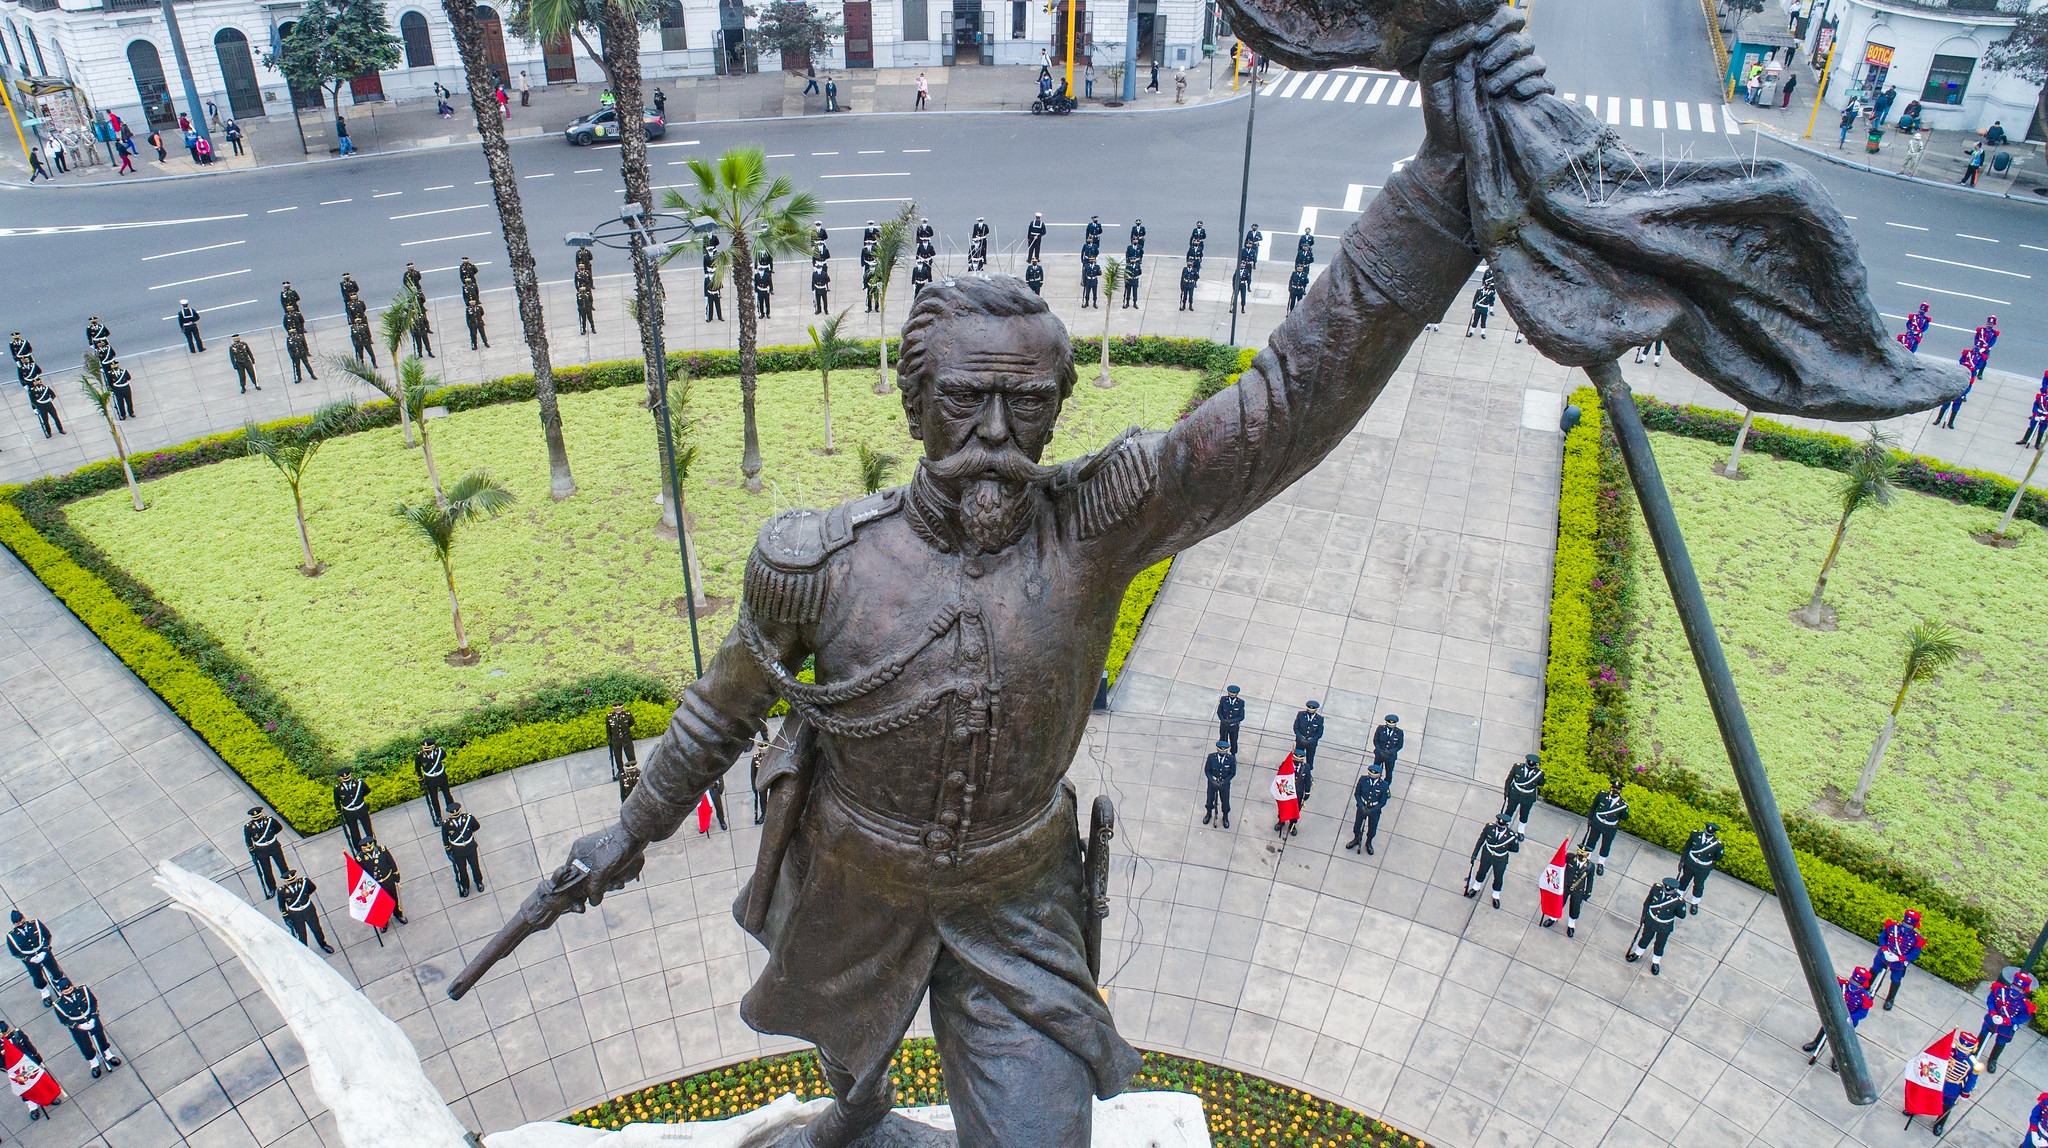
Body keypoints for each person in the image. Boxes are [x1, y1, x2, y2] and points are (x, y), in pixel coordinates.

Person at [1798, 966, 1873, 1071]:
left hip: (1848, 1020)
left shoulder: (1863, 997)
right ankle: (1816, 1042)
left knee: (1841, 1039)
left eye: (1856, 983)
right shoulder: (1842, 985)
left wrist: (1851, 1017)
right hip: (1834, 1014)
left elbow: (1862, 1013)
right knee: (1825, 1027)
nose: (1853, 985)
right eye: (1853, 981)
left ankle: (1837, 1058)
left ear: (1862, 985)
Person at [50, 979, 119, 1078]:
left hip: (91, 1017)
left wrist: (94, 1017)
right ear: (60, 991)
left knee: (100, 1036)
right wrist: (79, 1026)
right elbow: (64, 1020)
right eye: (66, 992)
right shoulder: (58, 1004)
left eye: (70, 989)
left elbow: (93, 1003)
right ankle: (93, 1062)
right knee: (84, 1044)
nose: (69, 992)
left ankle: (108, 1054)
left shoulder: (83, 990)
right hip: (77, 1025)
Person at [0, 1017, 62, 1120]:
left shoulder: (17, 1034)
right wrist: (9, 1070)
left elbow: (29, 1045)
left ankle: (49, 1098)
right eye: (5, 1033)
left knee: (40, 1081)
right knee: (25, 1088)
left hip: (30, 1063)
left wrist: (37, 1058)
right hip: (17, 1070)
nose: (8, 1034)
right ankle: (32, 1106)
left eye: (7, 1031)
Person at [1977, 971, 2035, 1074]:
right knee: (1983, 1035)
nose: (2014, 990)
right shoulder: (2000, 990)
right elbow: (1991, 1000)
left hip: (2006, 1026)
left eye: (2018, 989)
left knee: (2001, 1042)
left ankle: (1993, 1059)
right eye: (2014, 986)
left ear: (2023, 991)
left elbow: (2022, 1018)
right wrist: (1993, 1013)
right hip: (1992, 1020)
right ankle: (1975, 1052)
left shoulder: (2024, 1004)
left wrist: (2005, 1020)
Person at [1625, 876, 1685, 975]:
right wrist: (1644, 916)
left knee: (1660, 944)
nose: (1666, 891)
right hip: (1651, 920)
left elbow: (1681, 915)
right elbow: (1647, 903)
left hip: (1664, 925)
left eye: (1668, 890)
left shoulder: (1678, 901)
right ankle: (1638, 953)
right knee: (1645, 938)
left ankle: (1656, 961)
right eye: (1665, 888)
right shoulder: (1656, 889)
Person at [1870, 909, 1925, 1010]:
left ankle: (1890, 999)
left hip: (1898, 962)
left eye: (1908, 926)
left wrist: (1900, 958)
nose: (1905, 928)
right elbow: (1882, 938)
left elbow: (1914, 954)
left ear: (1914, 926)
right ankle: (1866, 988)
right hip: (1884, 956)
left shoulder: (1916, 938)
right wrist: (1885, 950)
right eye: (1904, 924)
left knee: (1895, 979)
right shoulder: (1892, 927)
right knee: (1874, 970)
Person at [1930, 1030, 1981, 1136]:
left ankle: (1939, 1123)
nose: (1962, 1052)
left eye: (1965, 1050)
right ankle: (1915, 1109)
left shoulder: (1973, 1063)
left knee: (1947, 1107)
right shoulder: (1948, 1049)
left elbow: (1971, 1080)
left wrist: (1965, 1093)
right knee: (1927, 1097)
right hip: (1938, 1081)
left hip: (1954, 1088)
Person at [6, 912, 63, 1007]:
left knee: (55, 970)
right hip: (30, 959)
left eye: (21, 920)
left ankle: (60, 986)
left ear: (24, 918)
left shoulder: (35, 923)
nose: (20, 923)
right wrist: (28, 959)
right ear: (14, 924)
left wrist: (45, 949)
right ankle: (45, 993)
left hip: (43, 952)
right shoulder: (11, 936)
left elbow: (47, 936)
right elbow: (15, 952)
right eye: (17, 923)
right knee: (37, 977)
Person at [1465, 813, 1521, 907]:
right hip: (1487, 854)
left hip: (1500, 858)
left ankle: (1496, 895)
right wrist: (1474, 854)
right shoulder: (1489, 828)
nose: (1499, 828)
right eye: (1498, 826)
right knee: (1482, 871)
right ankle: (1476, 887)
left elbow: (1515, 849)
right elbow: (1481, 840)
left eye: (1501, 827)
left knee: (1498, 877)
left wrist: (1503, 849)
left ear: (1506, 826)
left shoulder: (1511, 835)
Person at [276, 868, 334, 953]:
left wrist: (305, 897)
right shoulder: (282, 891)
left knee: (316, 929)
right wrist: (286, 917)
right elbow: (281, 906)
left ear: (296, 878)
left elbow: (312, 888)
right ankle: (305, 951)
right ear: (285, 882)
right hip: (295, 914)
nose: (292, 882)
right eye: (290, 881)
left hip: (308, 910)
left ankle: (323, 944)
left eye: (293, 880)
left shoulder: (304, 882)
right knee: (301, 934)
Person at [1542, 844, 1596, 935]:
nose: (1580, 856)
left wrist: (1588, 892)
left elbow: (1590, 880)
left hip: (1578, 889)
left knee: (1574, 907)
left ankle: (1571, 925)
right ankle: (1553, 918)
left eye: (1583, 855)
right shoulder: (1570, 857)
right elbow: (1559, 864)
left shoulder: (1590, 866)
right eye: (1579, 854)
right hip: (1565, 885)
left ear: (1587, 855)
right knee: (1559, 902)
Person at [1676, 822, 1724, 915]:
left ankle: (1695, 902)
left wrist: (1708, 867)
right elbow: (1687, 848)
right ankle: (1679, 896)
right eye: (1706, 832)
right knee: (1684, 879)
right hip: (1690, 863)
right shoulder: (1695, 835)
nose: (1707, 834)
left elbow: (1718, 858)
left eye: (1709, 834)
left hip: (1703, 867)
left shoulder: (1718, 845)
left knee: (1699, 885)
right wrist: (1682, 861)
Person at [1582, 779, 1628, 873]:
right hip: (1597, 823)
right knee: (1591, 841)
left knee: (1606, 845)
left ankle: (1601, 863)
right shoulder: (1602, 795)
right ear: (1610, 788)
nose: (1615, 790)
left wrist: (1625, 811)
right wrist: (1590, 819)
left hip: (1610, 827)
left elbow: (1624, 817)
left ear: (1620, 791)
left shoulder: (1622, 804)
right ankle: (1587, 859)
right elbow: (1593, 807)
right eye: (1613, 788)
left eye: (1617, 789)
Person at [358, 839, 407, 925]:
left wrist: (396, 878)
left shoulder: (382, 850)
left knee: (394, 899)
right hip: (375, 884)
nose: (368, 849)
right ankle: (384, 921)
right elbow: (360, 873)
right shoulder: (360, 858)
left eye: (370, 847)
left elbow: (392, 863)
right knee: (380, 903)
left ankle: (398, 914)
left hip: (388, 879)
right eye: (366, 848)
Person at [244, 807, 288, 900]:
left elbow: (279, 827)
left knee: (282, 865)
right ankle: (272, 888)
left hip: (273, 846)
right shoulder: (248, 827)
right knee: (267, 871)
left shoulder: (269, 820)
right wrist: (252, 851)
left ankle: (288, 880)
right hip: (261, 850)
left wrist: (270, 836)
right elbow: (248, 840)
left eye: (258, 816)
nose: (258, 818)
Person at [442, 800, 485, 897]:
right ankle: (465, 886)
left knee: (475, 866)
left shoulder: (468, 818)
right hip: (457, 851)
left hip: (470, 847)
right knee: (462, 869)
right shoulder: (446, 825)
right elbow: (445, 839)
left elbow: (476, 826)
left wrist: (468, 835)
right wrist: (449, 852)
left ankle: (479, 882)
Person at [1345, 762, 1389, 853]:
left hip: (1374, 810)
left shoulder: (1384, 785)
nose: (1371, 776)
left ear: (1379, 775)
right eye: (1370, 774)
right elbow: (1357, 794)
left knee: (1372, 827)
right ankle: (1356, 839)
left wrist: (1372, 810)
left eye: (1374, 774)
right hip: (1362, 807)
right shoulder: (1363, 780)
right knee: (1357, 825)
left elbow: (1383, 802)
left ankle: (1368, 843)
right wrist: (1361, 806)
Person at [1500, 752, 1543, 836]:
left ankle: (1521, 830)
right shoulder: (1517, 767)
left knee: (1524, 813)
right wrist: (1506, 791)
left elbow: (1541, 783)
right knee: (1509, 810)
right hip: (1515, 793)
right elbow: (1509, 779)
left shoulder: (1539, 773)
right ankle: (1504, 825)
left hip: (1528, 796)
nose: (1529, 767)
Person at [332, 767, 374, 852]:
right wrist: (339, 813)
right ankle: (359, 850)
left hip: (361, 809)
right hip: (349, 813)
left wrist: (359, 799)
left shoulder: (359, 784)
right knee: (354, 833)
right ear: (340, 778)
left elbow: (367, 791)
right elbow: (337, 802)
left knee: (368, 829)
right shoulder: (337, 789)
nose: (346, 778)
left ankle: (373, 845)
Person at [415, 738, 452, 826]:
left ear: (433, 747)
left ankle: (452, 811)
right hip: (430, 780)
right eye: (425, 749)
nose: (427, 751)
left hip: (441, 777)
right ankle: (438, 817)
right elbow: (418, 769)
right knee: (434, 799)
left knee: (447, 795)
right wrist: (421, 781)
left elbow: (444, 756)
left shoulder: (440, 752)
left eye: (429, 749)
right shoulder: (419, 757)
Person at [606, 703, 638, 799]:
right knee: (618, 756)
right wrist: (610, 740)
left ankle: (632, 768)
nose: (618, 710)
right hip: (616, 740)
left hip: (626, 739)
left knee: (630, 754)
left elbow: (631, 723)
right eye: (616, 709)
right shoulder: (609, 717)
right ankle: (620, 770)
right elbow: (608, 730)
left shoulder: (627, 715)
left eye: (619, 709)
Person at [1201, 740, 1235, 827]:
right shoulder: (1211, 757)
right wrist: (1212, 780)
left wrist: (1224, 781)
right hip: (1213, 783)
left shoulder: (1231, 759)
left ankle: (1225, 817)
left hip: (1224, 784)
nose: (1222, 751)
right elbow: (1207, 770)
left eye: (1224, 750)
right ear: (1217, 749)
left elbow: (1232, 773)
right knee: (1209, 800)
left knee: (1225, 801)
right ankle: (1209, 814)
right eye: (1220, 749)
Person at [1292, 700, 1323, 784]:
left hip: (1311, 743)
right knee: (1298, 756)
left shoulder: (1319, 719)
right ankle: (1294, 771)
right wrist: (1300, 738)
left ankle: (1308, 774)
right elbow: (1296, 728)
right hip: (1300, 741)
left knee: (1310, 758)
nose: (1310, 709)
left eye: (1313, 708)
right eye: (1309, 708)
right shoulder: (1301, 715)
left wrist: (1312, 740)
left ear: (1316, 709)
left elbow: (1319, 733)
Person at [1272, 751, 1301, 836]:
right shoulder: (1286, 764)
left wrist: (1307, 793)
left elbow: (1306, 781)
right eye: (1296, 759)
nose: (1297, 762)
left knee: (1295, 809)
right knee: (1283, 807)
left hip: (1297, 794)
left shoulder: (1305, 768)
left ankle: (1292, 825)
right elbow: (1280, 775)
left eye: (1299, 760)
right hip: (1285, 792)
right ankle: (1281, 821)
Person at [1466, 269, 1496, 337]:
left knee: (1483, 321)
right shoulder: (1479, 290)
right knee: (1475, 320)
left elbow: (1491, 301)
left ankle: (1482, 333)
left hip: (1485, 308)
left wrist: (1489, 308)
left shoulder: (1491, 293)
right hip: (1479, 307)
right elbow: (1475, 299)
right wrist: (1473, 308)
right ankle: (1471, 331)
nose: (1487, 287)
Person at [1216, 686, 1244, 755]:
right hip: (1224, 726)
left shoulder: (1240, 702)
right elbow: (1219, 712)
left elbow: (1241, 717)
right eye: (1230, 693)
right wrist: (1223, 720)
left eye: (1233, 694)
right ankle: (1222, 753)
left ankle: (1233, 754)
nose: (1232, 695)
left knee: (1233, 741)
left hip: (1233, 727)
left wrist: (1231, 721)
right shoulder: (1223, 700)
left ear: (1237, 694)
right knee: (1223, 740)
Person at [2021, 383, 2048, 449]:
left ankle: (2037, 444)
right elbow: (2035, 405)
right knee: (2031, 427)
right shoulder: (2040, 397)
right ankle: (2025, 440)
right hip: (2037, 415)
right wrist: (2035, 414)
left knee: (2041, 430)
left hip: (2045, 418)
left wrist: (2045, 418)